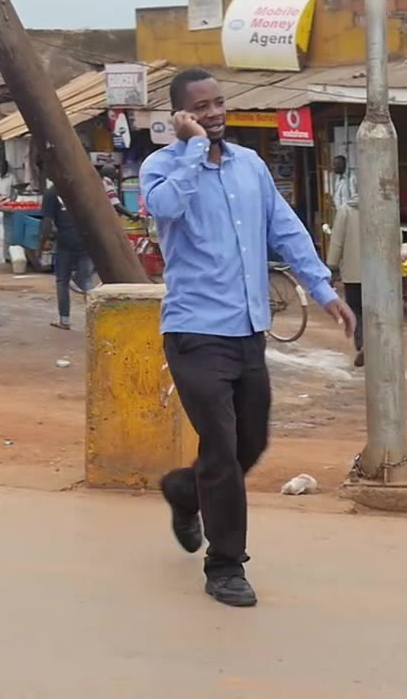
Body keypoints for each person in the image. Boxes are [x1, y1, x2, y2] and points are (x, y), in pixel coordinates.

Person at [141, 68, 352, 609]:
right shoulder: (161, 168)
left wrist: (324, 291)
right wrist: (189, 149)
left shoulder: (250, 167)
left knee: (249, 443)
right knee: (222, 447)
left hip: (246, 332)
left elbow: (284, 228)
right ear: (180, 116)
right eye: (200, 108)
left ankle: (186, 492)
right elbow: (165, 211)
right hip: (193, 333)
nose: (213, 114)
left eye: (218, 104)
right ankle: (226, 565)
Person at [39, 178, 96, 331]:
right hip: (85, 239)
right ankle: (96, 320)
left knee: (62, 282)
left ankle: (64, 320)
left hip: (64, 242)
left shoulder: (52, 193)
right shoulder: (81, 188)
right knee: (86, 282)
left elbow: (47, 223)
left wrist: (41, 245)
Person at [326, 198, 366, 367]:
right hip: (380, 274)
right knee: (378, 312)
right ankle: (380, 346)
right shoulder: (385, 206)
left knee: (356, 310)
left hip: (353, 273)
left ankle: (363, 345)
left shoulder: (346, 210)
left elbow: (337, 240)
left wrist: (332, 265)